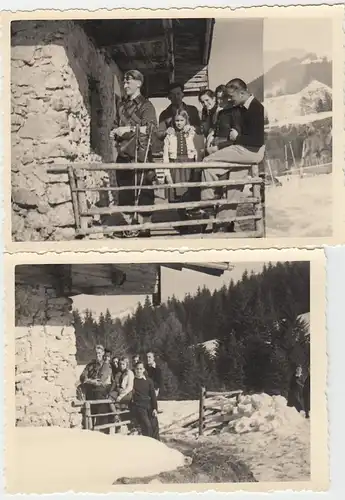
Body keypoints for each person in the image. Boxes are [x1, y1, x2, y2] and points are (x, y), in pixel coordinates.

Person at [200, 78, 265, 229]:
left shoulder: (256, 109)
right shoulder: (244, 107)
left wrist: (237, 137)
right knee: (234, 186)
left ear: (242, 93)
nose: (229, 99)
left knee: (207, 163)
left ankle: (207, 205)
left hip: (248, 150)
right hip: (245, 150)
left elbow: (258, 139)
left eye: (231, 96)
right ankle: (224, 223)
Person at [110, 69, 158, 237]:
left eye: (128, 82)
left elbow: (151, 129)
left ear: (138, 83)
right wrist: (114, 131)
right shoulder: (121, 105)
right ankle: (128, 226)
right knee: (125, 189)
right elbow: (116, 124)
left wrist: (128, 129)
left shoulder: (146, 105)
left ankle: (145, 228)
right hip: (123, 152)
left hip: (140, 153)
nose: (124, 85)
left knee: (144, 190)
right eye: (124, 82)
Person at [131, 362, 160, 440]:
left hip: (149, 406)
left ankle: (158, 446)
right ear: (134, 369)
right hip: (139, 406)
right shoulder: (133, 381)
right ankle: (149, 446)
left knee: (154, 424)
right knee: (147, 426)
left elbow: (153, 396)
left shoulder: (148, 381)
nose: (139, 371)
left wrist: (154, 409)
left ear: (143, 370)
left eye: (141, 369)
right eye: (137, 369)